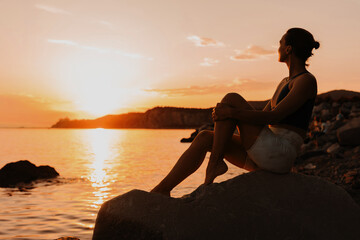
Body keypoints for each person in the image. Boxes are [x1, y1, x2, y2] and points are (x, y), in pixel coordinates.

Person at [151, 28, 320, 196]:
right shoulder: (285, 82)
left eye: (280, 43)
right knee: (204, 137)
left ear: (288, 49)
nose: (278, 48)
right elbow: (260, 117)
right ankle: (162, 190)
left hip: (280, 153)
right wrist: (227, 117)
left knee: (231, 98)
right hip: (266, 150)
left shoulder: (306, 80)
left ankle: (214, 164)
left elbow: (273, 116)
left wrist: (230, 113)